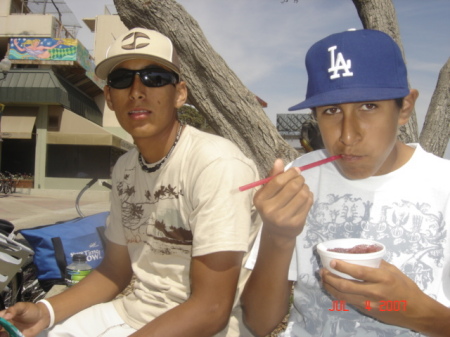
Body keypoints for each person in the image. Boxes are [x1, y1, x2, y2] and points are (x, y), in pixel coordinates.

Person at [0, 28, 261, 337]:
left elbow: (212, 309)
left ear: (180, 93)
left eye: (155, 77)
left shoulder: (217, 165)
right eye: (122, 79)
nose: (137, 90)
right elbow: (115, 270)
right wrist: (46, 311)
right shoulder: (125, 167)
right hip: (133, 314)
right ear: (109, 97)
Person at [241, 29, 450, 337]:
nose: (347, 136)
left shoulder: (443, 185)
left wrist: (414, 311)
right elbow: (259, 322)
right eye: (332, 111)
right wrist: (278, 236)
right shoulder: (300, 181)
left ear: (405, 107)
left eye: (368, 106)